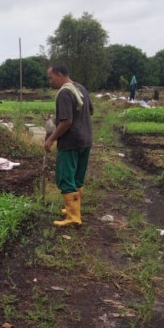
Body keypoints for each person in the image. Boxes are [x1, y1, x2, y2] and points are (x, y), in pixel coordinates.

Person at [44, 63, 94, 226]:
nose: (50, 81)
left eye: (51, 78)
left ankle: (73, 217)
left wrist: (51, 139)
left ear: (59, 75)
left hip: (71, 142)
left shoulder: (65, 93)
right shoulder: (80, 88)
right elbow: (90, 111)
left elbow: (66, 121)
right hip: (85, 139)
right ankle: (73, 209)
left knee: (65, 178)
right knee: (77, 177)